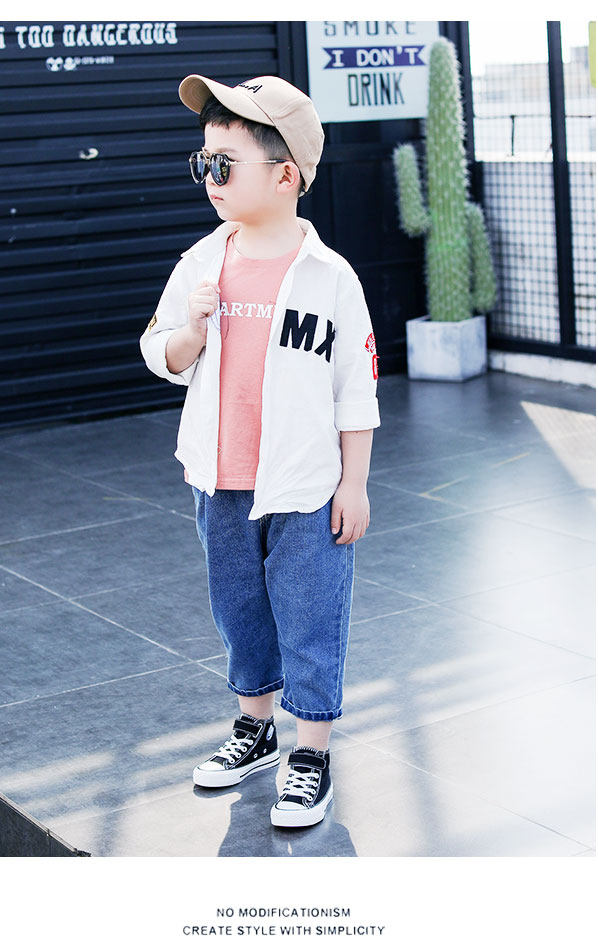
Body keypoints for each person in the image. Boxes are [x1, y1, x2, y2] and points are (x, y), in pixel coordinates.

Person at [139, 73, 380, 828]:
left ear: (286, 175)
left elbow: (356, 389)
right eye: (202, 162)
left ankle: (310, 751)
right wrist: (191, 332)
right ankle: (256, 726)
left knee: (310, 613)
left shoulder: (331, 279)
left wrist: (354, 484)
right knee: (239, 609)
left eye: (224, 163)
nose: (209, 177)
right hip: (221, 479)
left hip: (307, 485)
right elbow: (159, 350)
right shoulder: (200, 263)